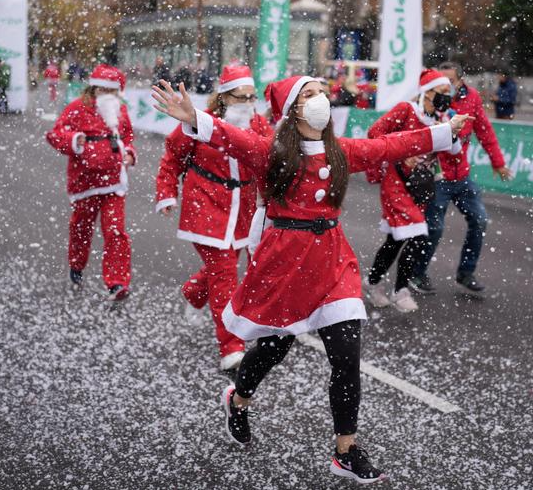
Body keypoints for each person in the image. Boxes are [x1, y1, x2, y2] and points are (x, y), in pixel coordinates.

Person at [152, 76, 471, 484]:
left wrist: (444, 132)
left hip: (332, 261)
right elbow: (231, 137)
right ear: (292, 111)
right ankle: (239, 399)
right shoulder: (271, 151)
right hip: (285, 262)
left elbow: (390, 146)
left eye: (321, 91)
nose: (319, 98)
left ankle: (346, 450)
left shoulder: (341, 152)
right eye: (308, 94)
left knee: (346, 354)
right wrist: (193, 116)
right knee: (272, 349)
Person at [155, 66, 273, 373]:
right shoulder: (198, 120)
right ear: (224, 97)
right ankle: (231, 348)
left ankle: (194, 291)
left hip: (243, 208)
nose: (248, 103)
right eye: (240, 97)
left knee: (228, 267)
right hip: (205, 204)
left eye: (252, 97)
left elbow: (274, 159)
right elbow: (172, 158)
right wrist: (167, 192)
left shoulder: (259, 125)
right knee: (225, 275)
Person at [410, 61, 513, 295]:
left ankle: (466, 272)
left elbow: (484, 131)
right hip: (437, 177)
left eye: (450, 82)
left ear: (460, 80)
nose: (445, 88)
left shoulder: (472, 98)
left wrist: (498, 163)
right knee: (434, 228)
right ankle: (417, 273)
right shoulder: (428, 101)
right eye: (440, 83)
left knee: (480, 220)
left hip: (462, 177)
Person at [363, 69, 463, 312]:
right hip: (396, 182)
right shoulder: (406, 110)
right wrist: (399, 156)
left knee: (396, 240)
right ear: (426, 92)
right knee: (418, 235)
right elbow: (375, 133)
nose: (444, 98)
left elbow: (455, 150)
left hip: (420, 186)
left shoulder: (442, 117)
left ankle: (372, 282)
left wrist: (449, 129)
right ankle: (400, 290)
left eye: (447, 94)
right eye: (440, 93)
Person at [46, 64, 137, 301]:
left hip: (114, 183)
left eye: (111, 92)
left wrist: (128, 152)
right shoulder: (77, 108)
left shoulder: (120, 110)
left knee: (116, 231)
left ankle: (117, 283)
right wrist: (75, 140)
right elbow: (55, 135)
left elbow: (127, 137)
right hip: (85, 183)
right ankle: (76, 265)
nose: (106, 97)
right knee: (81, 229)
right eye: (102, 91)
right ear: (93, 89)